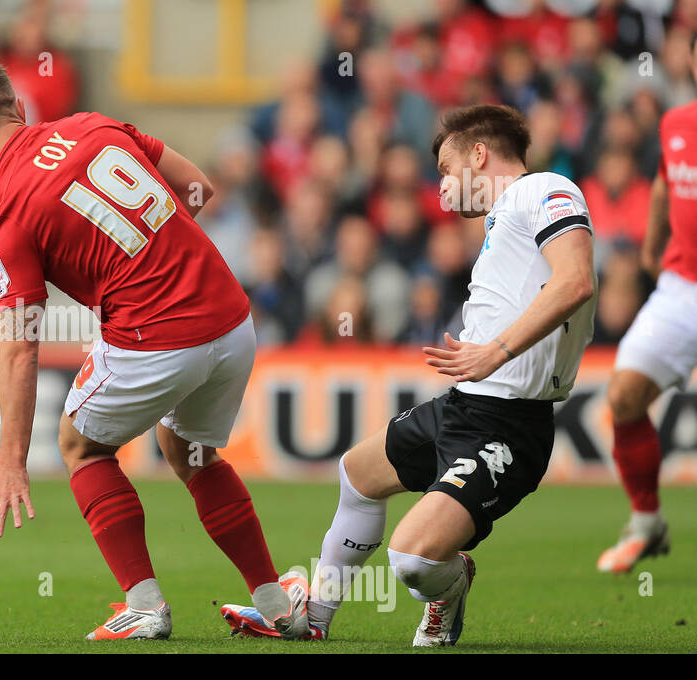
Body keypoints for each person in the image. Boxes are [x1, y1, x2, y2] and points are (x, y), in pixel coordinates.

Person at [0, 57, 306, 641]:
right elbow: (198, 188)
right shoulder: (94, 124)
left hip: (156, 336)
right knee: (186, 449)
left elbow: (19, 348)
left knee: (80, 446)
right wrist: (148, 250)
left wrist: (10, 462)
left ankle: (143, 604)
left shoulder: (8, 217)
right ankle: (278, 603)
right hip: (232, 319)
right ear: (21, 108)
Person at [240, 104, 596, 646]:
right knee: (357, 474)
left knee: (411, 561)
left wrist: (495, 351)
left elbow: (575, 281)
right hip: (465, 403)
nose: (445, 187)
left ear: (479, 154)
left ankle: (450, 591)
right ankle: (314, 617)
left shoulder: (545, 188)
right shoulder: (503, 219)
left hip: (509, 422)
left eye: (448, 170)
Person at [597, 34, 697, 574]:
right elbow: (665, 184)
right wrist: (652, 249)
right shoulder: (677, 123)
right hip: (683, 286)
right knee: (626, 397)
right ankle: (647, 522)